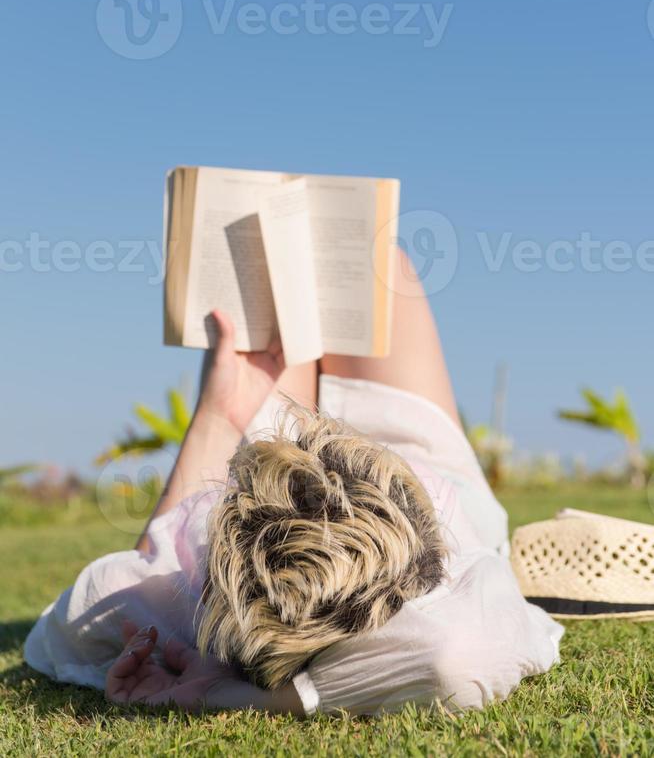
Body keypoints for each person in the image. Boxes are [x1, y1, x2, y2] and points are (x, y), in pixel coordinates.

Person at [24, 250, 563, 715]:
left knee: (276, 287)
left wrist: (220, 413)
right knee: (377, 263)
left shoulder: (163, 601)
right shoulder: (459, 597)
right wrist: (248, 699)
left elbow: (75, 616)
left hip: (278, 475)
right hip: (424, 471)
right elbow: (453, 662)